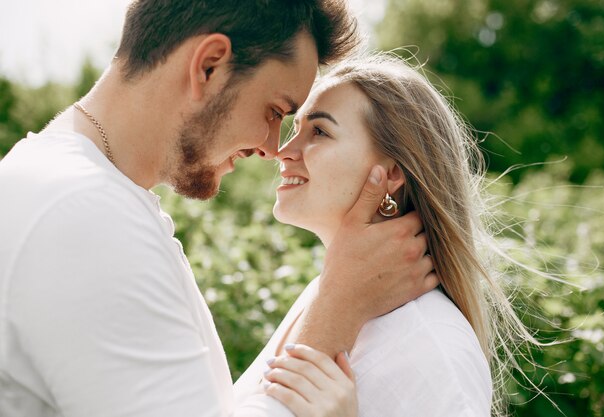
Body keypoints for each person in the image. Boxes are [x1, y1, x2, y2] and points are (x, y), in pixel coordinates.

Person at [0, 2, 438, 417]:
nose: (272, 147)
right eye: (274, 111)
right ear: (209, 66)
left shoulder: (71, 188)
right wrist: (336, 312)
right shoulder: (85, 214)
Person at [234, 54, 537, 417]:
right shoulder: (326, 295)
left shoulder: (432, 346)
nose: (283, 152)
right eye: (295, 129)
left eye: (319, 132)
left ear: (391, 173)